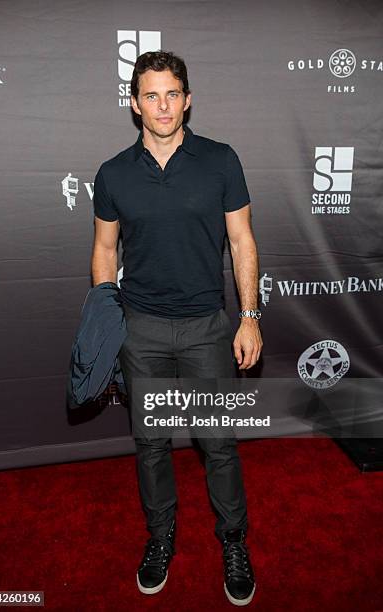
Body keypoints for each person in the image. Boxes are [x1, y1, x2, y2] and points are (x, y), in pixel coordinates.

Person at [91, 50, 262, 606]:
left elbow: (242, 242)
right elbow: (104, 249)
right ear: (135, 104)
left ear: (187, 99)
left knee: (218, 444)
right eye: (150, 95)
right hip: (140, 330)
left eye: (172, 94)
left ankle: (233, 542)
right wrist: (105, 321)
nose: (162, 106)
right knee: (151, 444)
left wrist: (249, 317)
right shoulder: (113, 173)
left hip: (207, 329)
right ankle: (160, 538)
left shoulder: (220, 160)